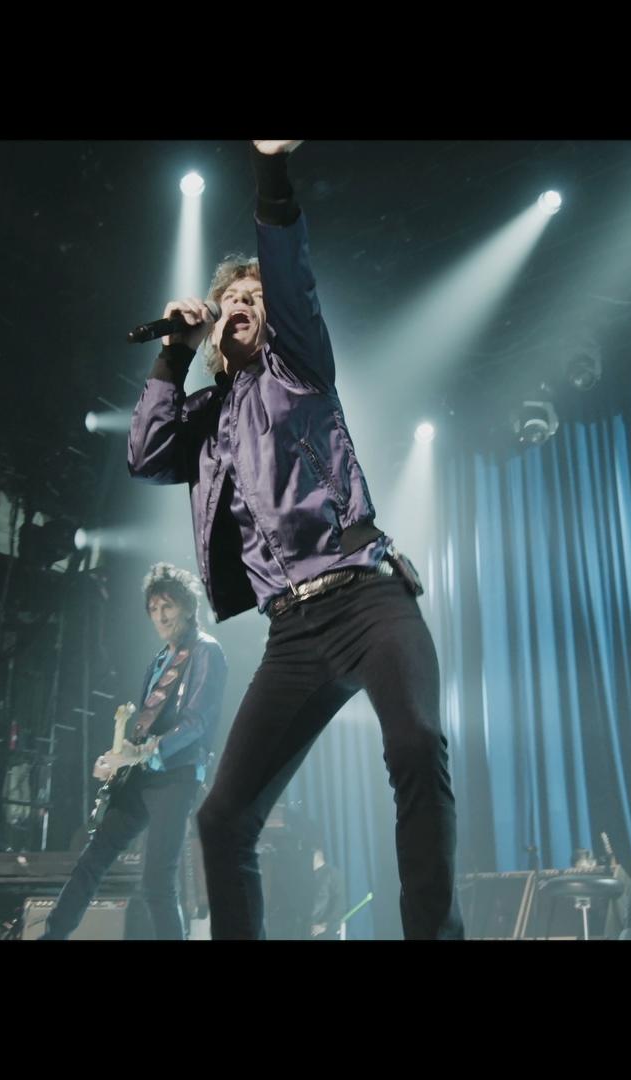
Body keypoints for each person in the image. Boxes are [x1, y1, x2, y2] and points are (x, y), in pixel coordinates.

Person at [128, 140, 460, 940]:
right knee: (223, 820)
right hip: (292, 632)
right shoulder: (204, 420)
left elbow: (289, 270)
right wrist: (174, 355)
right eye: (228, 297)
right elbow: (145, 455)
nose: (241, 302)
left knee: (414, 744)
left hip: (365, 595)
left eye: (253, 294)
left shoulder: (299, 366)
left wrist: (270, 171)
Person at [38, 563, 225, 940]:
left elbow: (196, 724)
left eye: (167, 606)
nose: (160, 616)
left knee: (156, 883)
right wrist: (116, 758)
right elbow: (144, 729)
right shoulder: (158, 662)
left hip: (177, 776)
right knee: (91, 860)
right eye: (154, 609)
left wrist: (139, 756)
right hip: (141, 776)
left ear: (188, 607)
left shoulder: (206, 652)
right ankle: (51, 936)